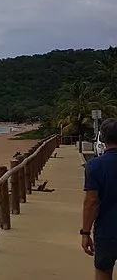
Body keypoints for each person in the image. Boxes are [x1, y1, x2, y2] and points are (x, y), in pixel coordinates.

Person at [83, 118, 117, 279]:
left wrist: (85, 232)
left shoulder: (95, 166)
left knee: (103, 272)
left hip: (106, 231)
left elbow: (91, 202)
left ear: (102, 138)